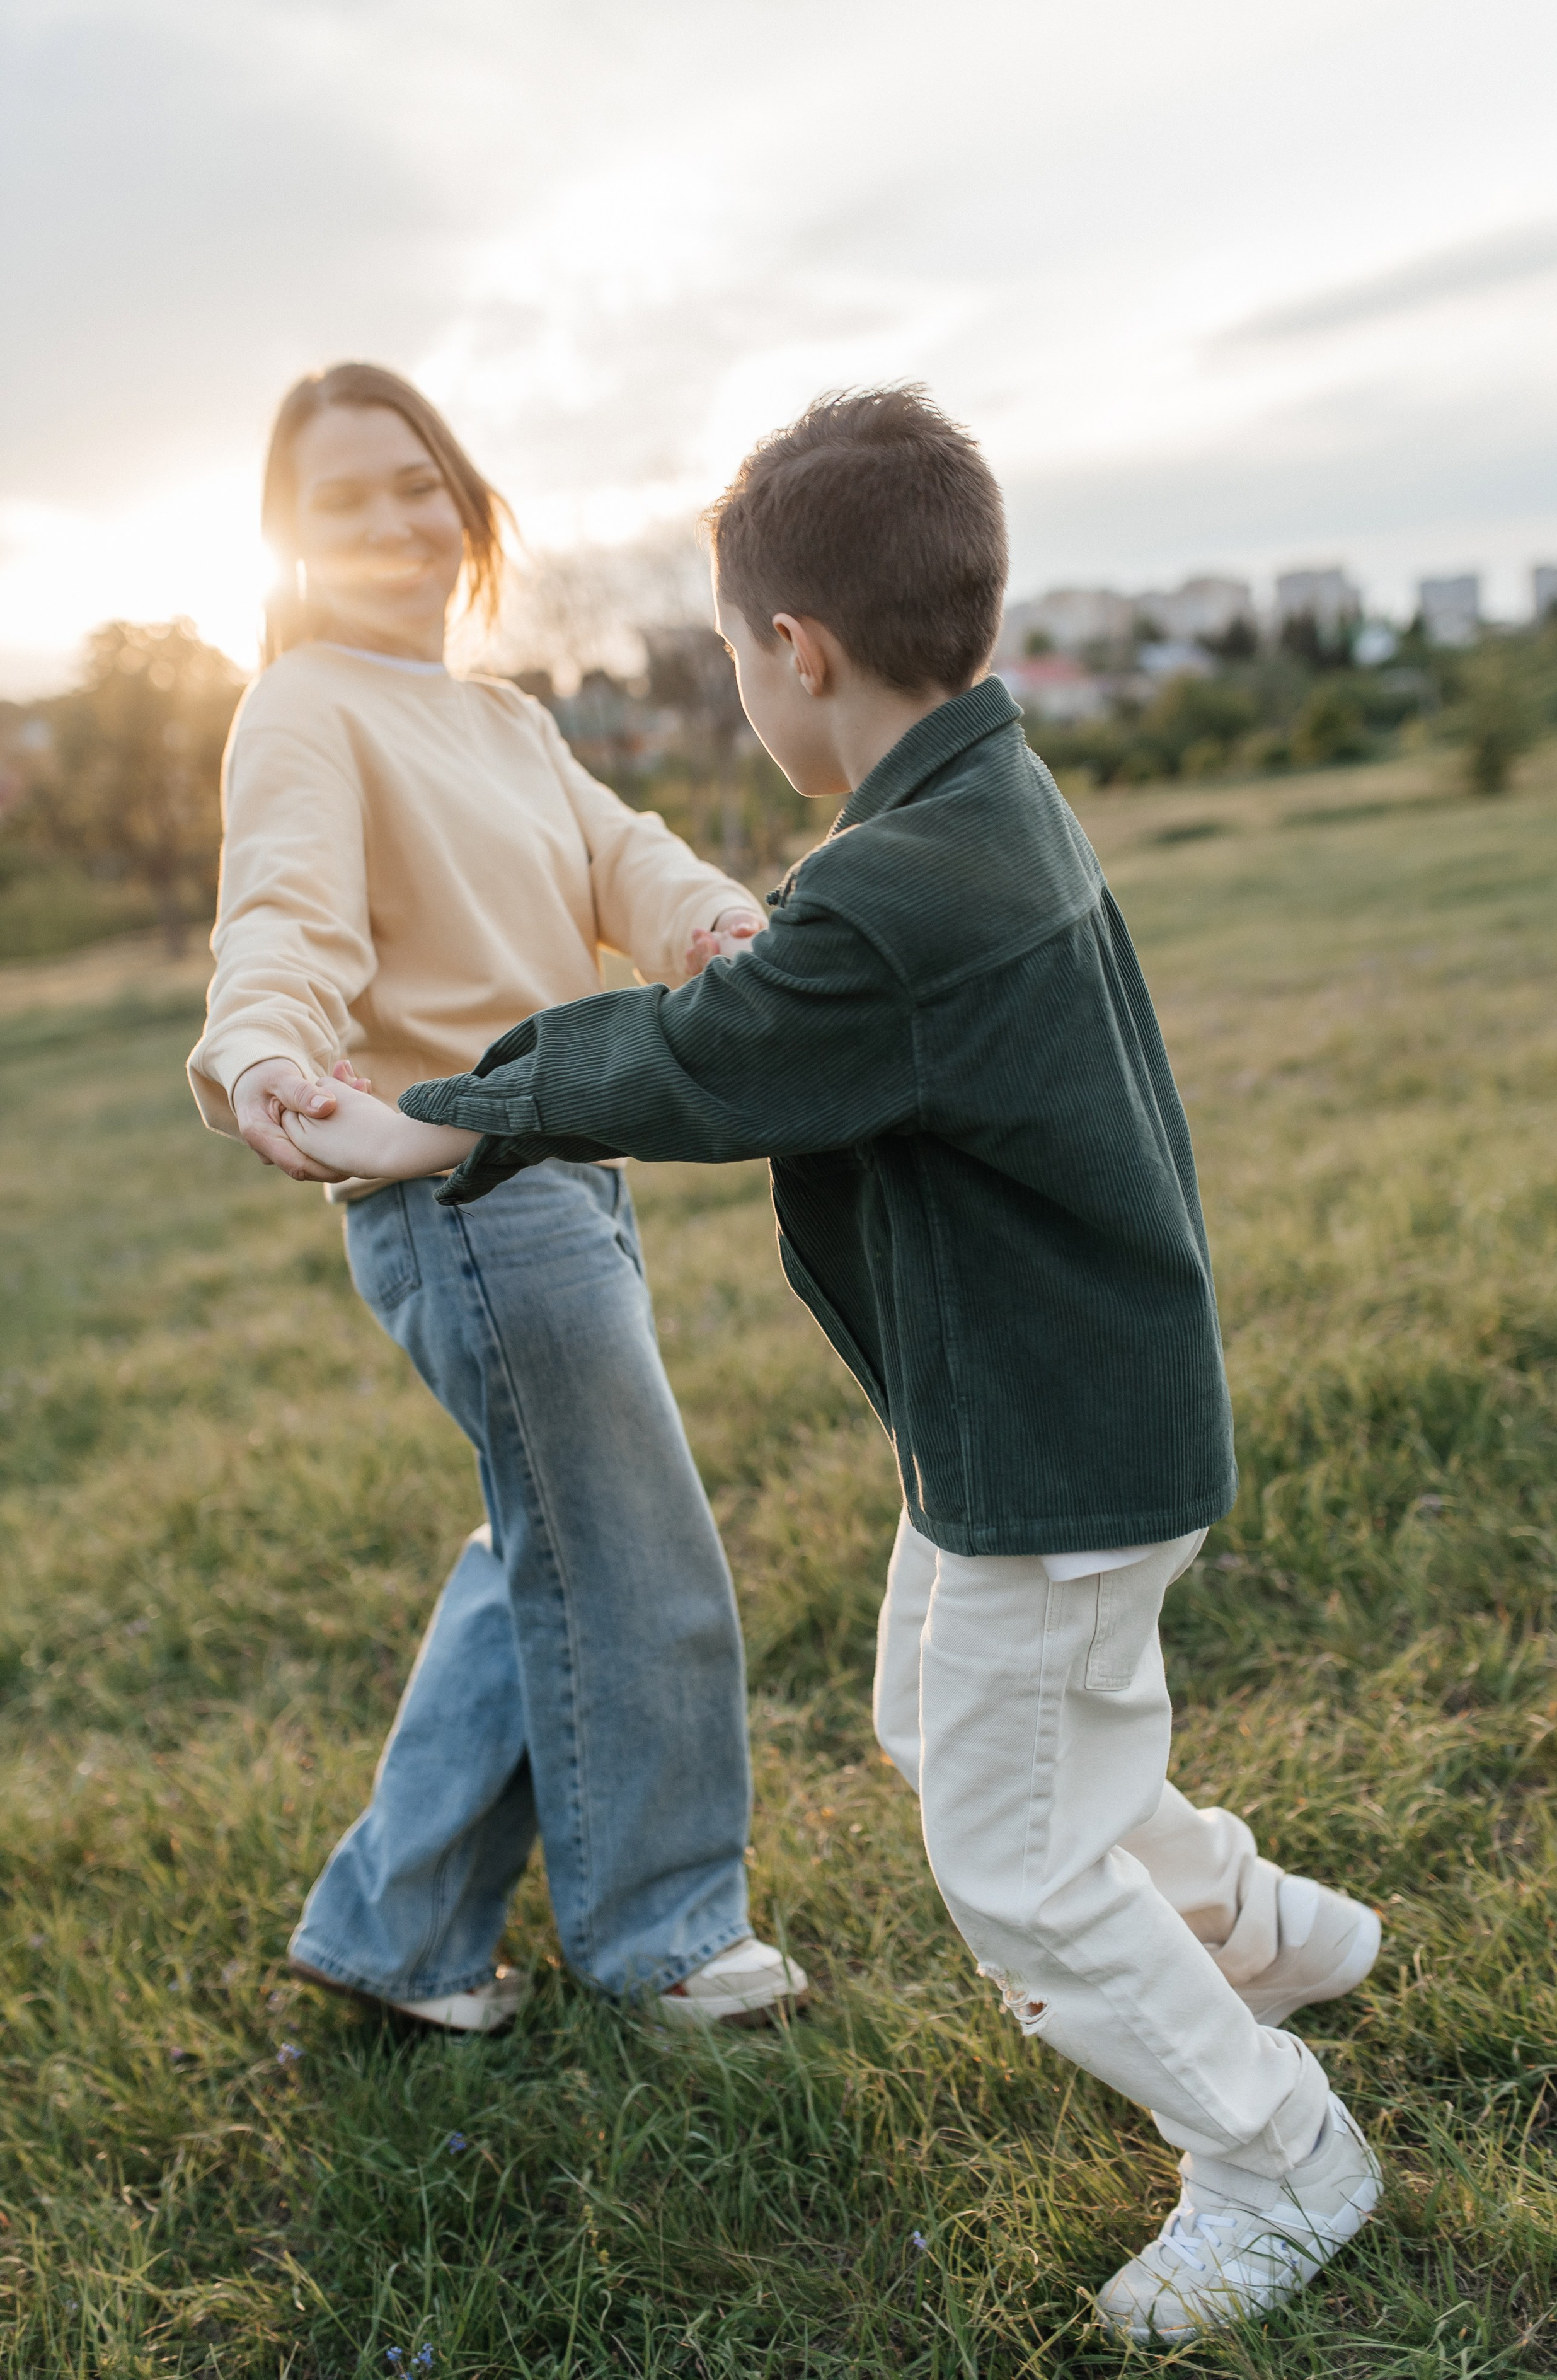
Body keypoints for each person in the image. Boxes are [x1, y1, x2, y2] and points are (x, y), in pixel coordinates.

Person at [284, 388, 1384, 2341]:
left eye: (731, 657)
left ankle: (1280, 2152)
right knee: (969, 1722)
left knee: (1017, 1861)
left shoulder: (896, 891)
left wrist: (433, 1115)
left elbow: (686, 1059)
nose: (737, 691)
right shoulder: (980, 796)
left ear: (796, 651)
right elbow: (771, 990)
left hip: (1051, 1442)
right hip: (1044, 1429)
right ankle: (1268, 1935)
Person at [187, 361, 808, 2034]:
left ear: (466, 503)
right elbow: (286, 920)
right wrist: (261, 1056)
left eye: (419, 483)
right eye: (345, 501)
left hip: (558, 1177)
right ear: (288, 544)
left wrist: (713, 930)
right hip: (458, 1188)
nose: (396, 523)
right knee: (635, 1559)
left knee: (549, 1537)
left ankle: (401, 1933)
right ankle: (664, 1935)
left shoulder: (503, 717)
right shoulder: (306, 707)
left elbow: (629, 859)